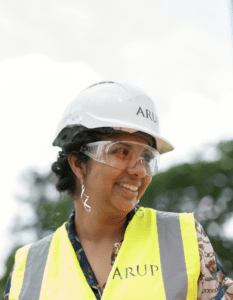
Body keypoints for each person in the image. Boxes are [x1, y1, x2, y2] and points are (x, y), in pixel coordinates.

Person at [2, 81, 233, 300]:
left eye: (146, 157)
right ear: (78, 164)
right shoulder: (29, 269)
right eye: (122, 152)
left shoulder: (184, 239)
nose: (140, 170)